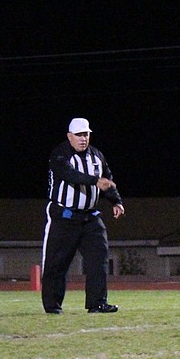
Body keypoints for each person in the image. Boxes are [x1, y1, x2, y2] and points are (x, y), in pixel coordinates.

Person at [41, 117, 125, 314]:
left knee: (99, 259)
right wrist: (95, 181)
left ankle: (97, 303)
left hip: (90, 218)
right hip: (64, 217)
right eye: (78, 135)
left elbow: (108, 179)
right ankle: (53, 306)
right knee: (57, 262)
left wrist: (116, 200)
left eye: (86, 134)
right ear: (69, 136)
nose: (82, 138)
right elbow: (71, 175)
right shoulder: (60, 154)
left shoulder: (97, 155)